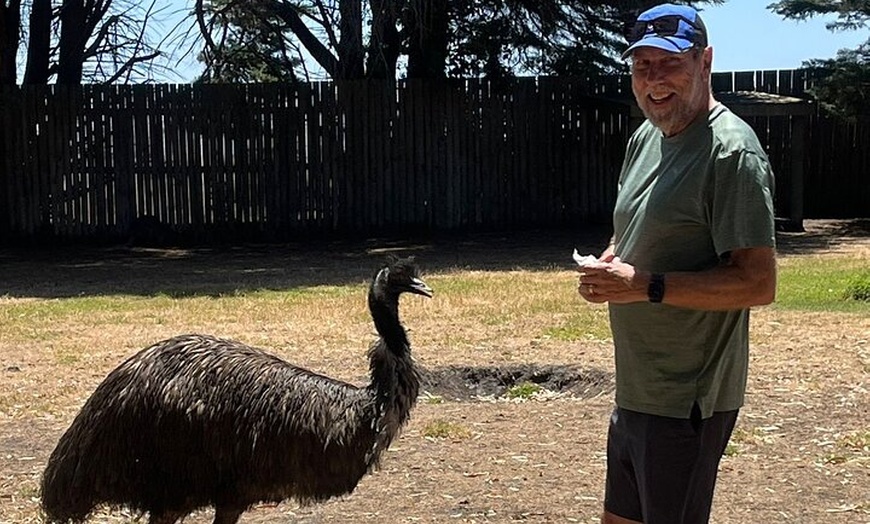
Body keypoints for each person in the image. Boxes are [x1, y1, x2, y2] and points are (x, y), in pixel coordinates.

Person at [577, 4, 777, 524]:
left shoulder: (731, 154)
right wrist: (612, 262)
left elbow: (757, 282)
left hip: (687, 398)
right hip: (637, 385)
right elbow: (637, 226)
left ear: (705, 61)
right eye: (642, 65)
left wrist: (646, 285)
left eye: (669, 62)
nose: (654, 79)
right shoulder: (646, 137)